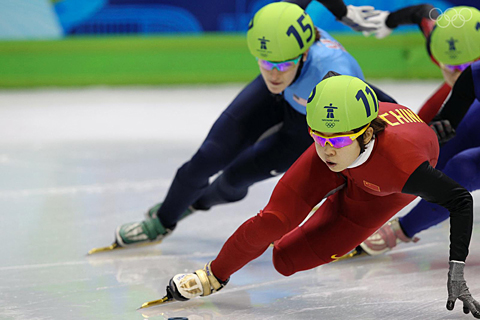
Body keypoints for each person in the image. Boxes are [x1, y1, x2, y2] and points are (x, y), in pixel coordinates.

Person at [154, 74, 479, 317]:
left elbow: (461, 200)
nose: (326, 149)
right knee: (274, 220)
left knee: (287, 260)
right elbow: (335, 85)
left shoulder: (403, 167)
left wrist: (456, 270)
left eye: (335, 141)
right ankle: (213, 275)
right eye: (317, 136)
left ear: (367, 133)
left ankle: (340, 202)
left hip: (381, 189)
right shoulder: (333, 136)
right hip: (364, 148)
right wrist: (331, 140)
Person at [90, 1, 396, 253]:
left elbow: (380, 108)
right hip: (277, 99)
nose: (274, 74)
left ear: (304, 54)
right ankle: (162, 221)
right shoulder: (280, 29)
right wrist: (342, 11)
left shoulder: (334, 75)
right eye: (265, 63)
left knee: (235, 178)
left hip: (307, 123)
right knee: (205, 159)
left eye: (283, 65)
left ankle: (196, 203)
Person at [356, 6, 480, 256]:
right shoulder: (450, 46)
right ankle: (365, 199)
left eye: (466, 65)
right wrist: (390, 20)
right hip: (471, 95)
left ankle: (400, 230)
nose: (457, 72)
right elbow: (423, 13)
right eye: (450, 66)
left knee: (462, 166)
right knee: (426, 142)